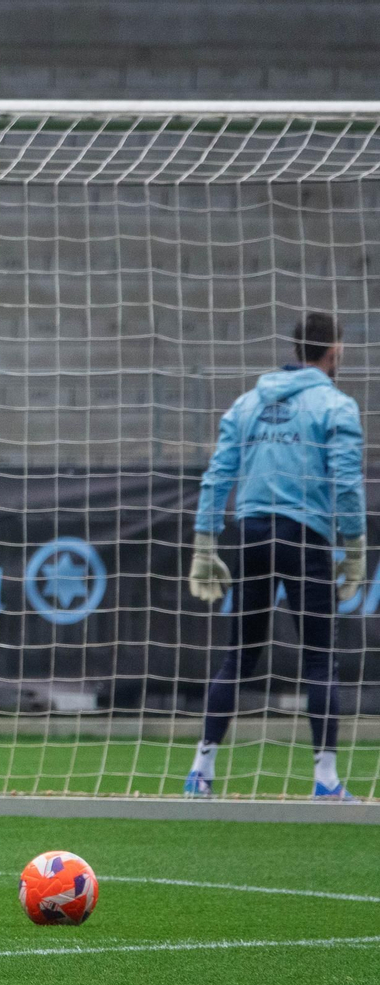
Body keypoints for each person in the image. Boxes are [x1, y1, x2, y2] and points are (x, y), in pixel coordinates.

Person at [188, 311, 365, 801]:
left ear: (295, 348)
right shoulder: (336, 406)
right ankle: (325, 779)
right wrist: (354, 547)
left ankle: (201, 769)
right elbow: (347, 483)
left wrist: (205, 540)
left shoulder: (248, 403)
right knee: (319, 660)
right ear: (335, 351)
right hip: (303, 536)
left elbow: (217, 475)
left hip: (250, 533)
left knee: (238, 657)